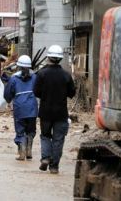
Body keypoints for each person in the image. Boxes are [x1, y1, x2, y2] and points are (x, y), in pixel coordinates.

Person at [34, 45, 76, 174]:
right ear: (60, 59)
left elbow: (36, 92)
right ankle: (54, 166)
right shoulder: (66, 75)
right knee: (58, 139)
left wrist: (46, 96)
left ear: (48, 57)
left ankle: (45, 158)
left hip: (45, 112)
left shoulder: (41, 74)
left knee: (45, 136)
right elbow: (72, 93)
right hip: (61, 113)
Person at [4, 55, 38, 161]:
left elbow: (8, 93)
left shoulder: (14, 78)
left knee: (20, 130)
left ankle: (22, 151)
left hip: (19, 108)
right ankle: (29, 150)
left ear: (18, 66)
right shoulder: (35, 77)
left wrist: (8, 100)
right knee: (31, 130)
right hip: (32, 108)